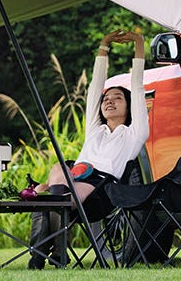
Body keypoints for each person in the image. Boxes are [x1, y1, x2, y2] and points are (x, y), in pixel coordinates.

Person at [27, 28, 148, 268]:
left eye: (117, 98)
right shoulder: (95, 130)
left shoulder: (135, 134)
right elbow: (95, 88)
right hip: (71, 180)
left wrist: (139, 42)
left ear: (130, 107)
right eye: (106, 99)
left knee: (51, 195)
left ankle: (44, 255)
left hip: (102, 192)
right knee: (56, 182)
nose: (109, 101)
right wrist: (104, 45)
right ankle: (51, 253)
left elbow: (138, 83)